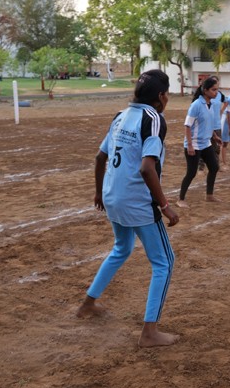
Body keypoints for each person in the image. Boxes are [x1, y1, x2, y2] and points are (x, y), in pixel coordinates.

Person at [76, 69, 180, 348]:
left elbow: (101, 158)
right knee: (164, 262)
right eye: (167, 93)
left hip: (112, 196)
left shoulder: (120, 116)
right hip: (136, 202)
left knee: (121, 249)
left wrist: (100, 192)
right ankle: (149, 332)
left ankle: (87, 304)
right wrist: (166, 206)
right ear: (161, 96)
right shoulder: (154, 119)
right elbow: (147, 168)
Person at [177, 77, 221, 207]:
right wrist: (190, 145)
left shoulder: (210, 104)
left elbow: (207, 123)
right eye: (214, 90)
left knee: (214, 167)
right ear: (205, 90)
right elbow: (187, 126)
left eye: (217, 89)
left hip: (206, 142)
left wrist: (214, 136)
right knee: (191, 173)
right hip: (194, 144)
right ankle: (180, 199)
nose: (216, 92)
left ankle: (209, 195)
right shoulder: (196, 105)